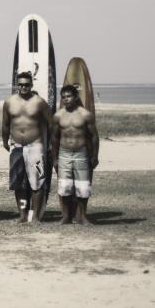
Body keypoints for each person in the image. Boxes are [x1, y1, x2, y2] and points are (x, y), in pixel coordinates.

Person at [2, 71, 52, 223]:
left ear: (31, 84)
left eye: (26, 85)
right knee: (19, 184)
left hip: (35, 146)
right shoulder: (9, 102)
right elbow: (5, 124)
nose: (23, 87)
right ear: (17, 85)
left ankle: (35, 216)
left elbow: (52, 124)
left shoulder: (39, 102)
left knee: (37, 183)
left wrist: (50, 144)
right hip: (16, 147)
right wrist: (4, 141)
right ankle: (23, 215)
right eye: (21, 84)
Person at [52, 85, 99, 224]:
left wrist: (95, 156)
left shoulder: (85, 114)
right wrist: (54, 158)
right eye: (63, 97)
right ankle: (66, 216)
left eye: (69, 96)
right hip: (64, 153)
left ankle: (82, 216)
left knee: (83, 186)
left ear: (76, 97)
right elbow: (54, 138)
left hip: (81, 153)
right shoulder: (58, 116)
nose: (66, 99)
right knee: (64, 186)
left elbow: (94, 136)